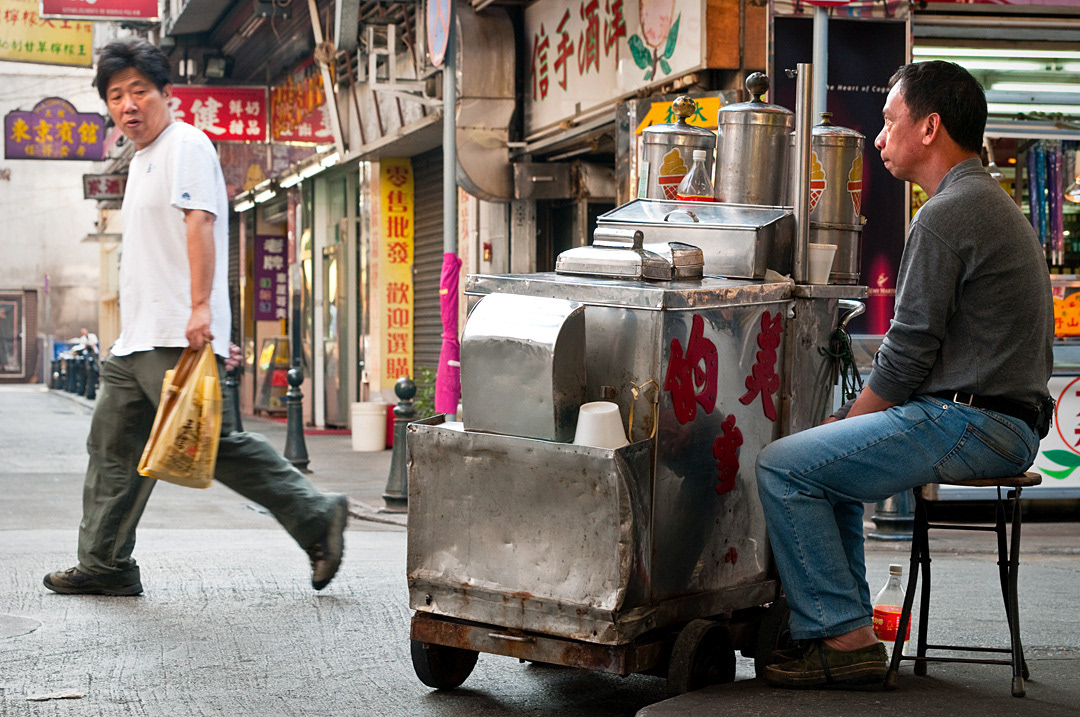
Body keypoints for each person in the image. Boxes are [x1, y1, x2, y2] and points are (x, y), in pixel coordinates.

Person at [755, 60, 1054, 688]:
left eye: (890, 122)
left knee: (783, 466)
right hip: (999, 419)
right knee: (821, 468)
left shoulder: (947, 214)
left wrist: (852, 416)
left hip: (971, 420)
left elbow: (909, 349)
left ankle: (842, 640)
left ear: (931, 127)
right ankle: (849, 627)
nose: (880, 138)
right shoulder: (984, 202)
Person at [44, 36, 348, 597]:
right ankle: (105, 563)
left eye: (139, 90)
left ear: (166, 93)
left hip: (174, 333)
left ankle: (316, 514)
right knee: (112, 447)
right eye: (116, 95)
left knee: (212, 445)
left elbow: (199, 224)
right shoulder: (142, 160)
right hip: (133, 341)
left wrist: (202, 309)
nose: (128, 104)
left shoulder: (185, 144)